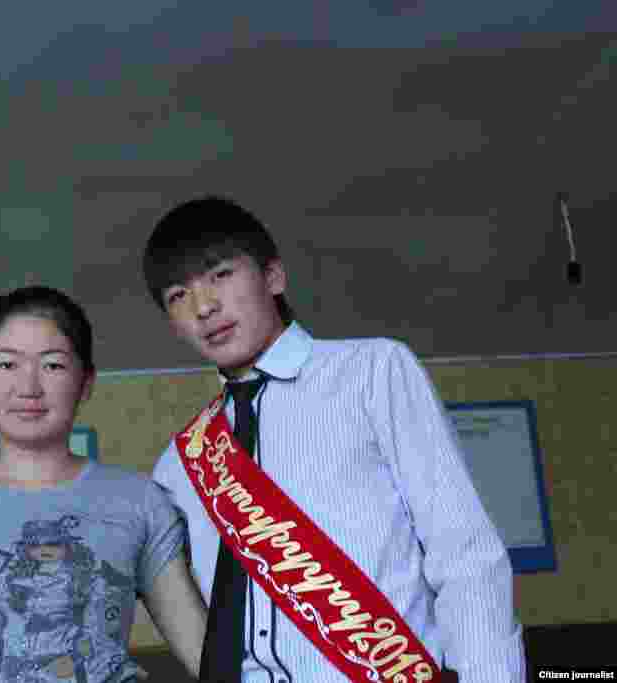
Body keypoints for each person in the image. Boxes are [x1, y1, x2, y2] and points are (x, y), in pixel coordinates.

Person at [143, 196, 526, 683]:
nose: (204, 307)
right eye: (179, 295)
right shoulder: (179, 464)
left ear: (273, 277)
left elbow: (464, 553)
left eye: (220, 275)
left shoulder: (373, 372)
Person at [0, 286, 207, 683]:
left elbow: (203, 654)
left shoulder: (139, 500)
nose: (29, 387)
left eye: (53, 365)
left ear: (86, 382)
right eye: (8, 364)